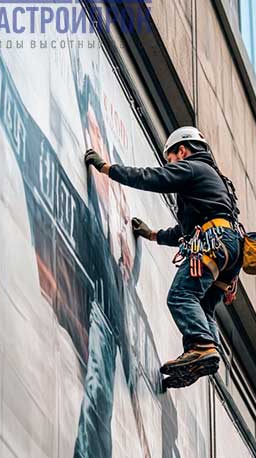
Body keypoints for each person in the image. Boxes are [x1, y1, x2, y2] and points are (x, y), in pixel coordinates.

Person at [85, 126, 243, 389]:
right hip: (229, 252)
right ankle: (205, 351)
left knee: (181, 295)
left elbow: (152, 178)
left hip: (214, 242)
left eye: (170, 158)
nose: (170, 164)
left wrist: (107, 169)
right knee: (203, 307)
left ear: (182, 151)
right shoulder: (211, 183)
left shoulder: (192, 168)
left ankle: (201, 346)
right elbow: (184, 232)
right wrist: (152, 234)